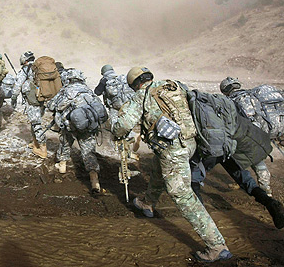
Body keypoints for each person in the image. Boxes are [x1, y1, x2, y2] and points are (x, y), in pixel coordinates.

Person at [111, 66, 231, 263]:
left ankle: (216, 246)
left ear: (134, 84)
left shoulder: (140, 95)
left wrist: (115, 130)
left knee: (182, 195)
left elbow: (123, 125)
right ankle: (147, 204)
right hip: (190, 143)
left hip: (173, 150)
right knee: (158, 166)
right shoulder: (173, 86)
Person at [47, 68, 107, 193]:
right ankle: (94, 179)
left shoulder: (66, 90)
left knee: (65, 142)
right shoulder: (88, 90)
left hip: (69, 125)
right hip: (88, 126)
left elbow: (51, 106)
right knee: (88, 151)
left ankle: (62, 165)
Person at [219, 77, 281, 196]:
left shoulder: (232, 101)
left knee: (256, 161)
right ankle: (242, 181)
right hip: (260, 132)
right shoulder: (249, 95)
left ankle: (265, 191)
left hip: (249, 135)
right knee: (239, 158)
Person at [11, 51, 47, 158]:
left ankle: (42, 148)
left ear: (24, 60)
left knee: (36, 123)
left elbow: (17, 86)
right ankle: (35, 142)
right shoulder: (38, 69)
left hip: (32, 101)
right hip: (41, 100)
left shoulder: (26, 70)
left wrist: (13, 98)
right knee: (34, 120)